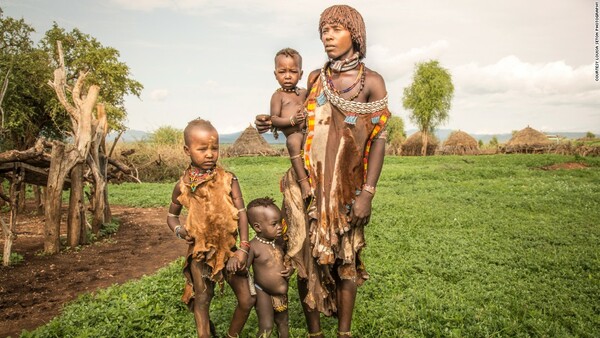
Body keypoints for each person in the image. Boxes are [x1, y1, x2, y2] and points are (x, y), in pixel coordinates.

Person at [256, 5, 390, 337]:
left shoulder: (371, 82)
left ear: (354, 34)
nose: (328, 37)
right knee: (304, 258)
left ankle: (343, 332)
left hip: (346, 190)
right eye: (324, 31)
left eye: (335, 29)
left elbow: (378, 141)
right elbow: (299, 123)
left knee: (346, 261)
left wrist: (368, 194)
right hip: (306, 187)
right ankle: (315, 333)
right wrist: (273, 121)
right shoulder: (316, 78)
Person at [167, 118, 254, 338]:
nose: (209, 154)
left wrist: (243, 249)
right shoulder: (183, 185)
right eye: (202, 148)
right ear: (187, 150)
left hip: (231, 250)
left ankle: (230, 335)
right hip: (201, 252)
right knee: (203, 298)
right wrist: (179, 230)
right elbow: (171, 216)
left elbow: (242, 214)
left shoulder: (228, 179)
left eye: (214, 148)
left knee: (247, 298)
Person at [269, 48, 311, 200]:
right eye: (282, 72)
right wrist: (292, 121)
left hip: (308, 132)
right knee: (293, 142)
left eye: (293, 71)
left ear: (301, 74)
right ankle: (304, 182)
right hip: (294, 134)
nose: (287, 76)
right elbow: (274, 119)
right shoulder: (278, 96)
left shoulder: (304, 92)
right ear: (275, 74)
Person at [246, 197, 291, 338]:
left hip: (281, 293)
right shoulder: (254, 247)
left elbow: (289, 260)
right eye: (274, 224)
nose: (279, 227)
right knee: (266, 326)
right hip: (262, 291)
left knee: (283, 322)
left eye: (280, 222)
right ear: (258, 227)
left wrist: (290, 269)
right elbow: (244, 269)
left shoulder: (279, 243)